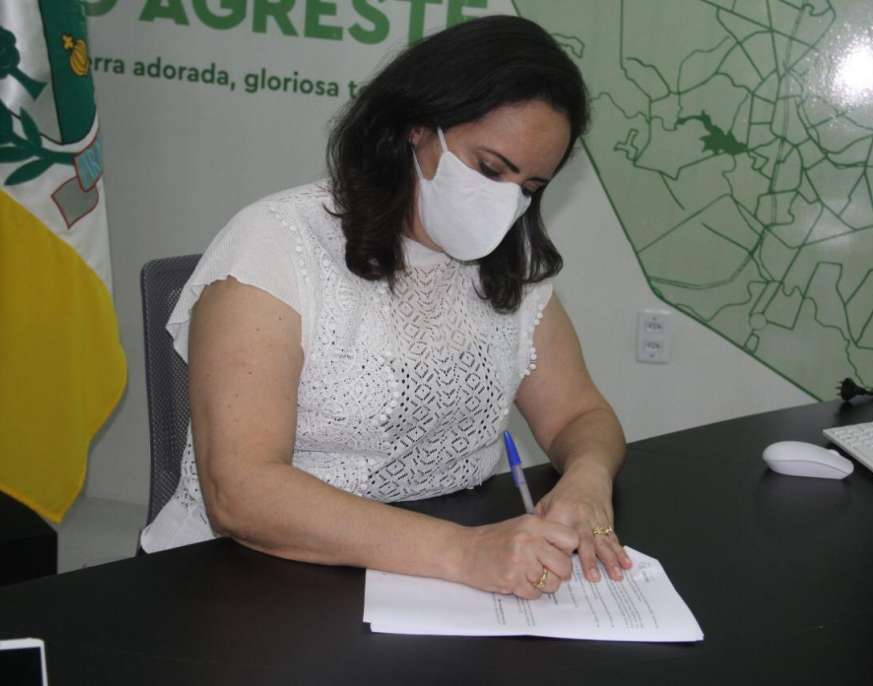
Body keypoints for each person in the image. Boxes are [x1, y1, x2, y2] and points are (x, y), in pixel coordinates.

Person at [140, 15, 631, 599]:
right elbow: (240, 493)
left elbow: (580, 415)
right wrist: (464, 552)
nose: (505, 204)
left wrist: (587, 480)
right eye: (490, 169)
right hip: (245, 579)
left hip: (431, 577)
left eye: (528, 188)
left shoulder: (508, 266)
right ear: (418, 129)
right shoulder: (275, 244)